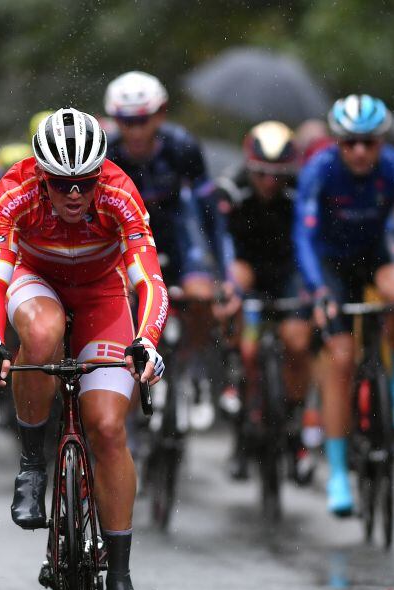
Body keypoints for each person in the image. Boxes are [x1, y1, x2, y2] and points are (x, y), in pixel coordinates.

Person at [0, 108, 167, 590]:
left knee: (106, 428)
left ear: (100, 174)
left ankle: (122, 581)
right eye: (61, 185)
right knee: (41, 335)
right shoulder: (14, 193)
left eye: (84, 183)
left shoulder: (119, 194)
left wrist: (147, 338)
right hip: (37, 283)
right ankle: (33, 463)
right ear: (41, 177)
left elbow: (147, 277)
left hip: (102, 294)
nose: (74, 195)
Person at [294, 94, 394, 516]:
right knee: (340, 360)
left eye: (369, 143)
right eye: (349, 142)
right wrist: (318, 290)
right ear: (337, 142)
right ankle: (338, 472)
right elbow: (302, 236)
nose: (359, 151)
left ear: (382, 142)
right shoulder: (319, 170)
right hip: (331, 262)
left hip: (376, 252)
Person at [104, 71, 236, 429]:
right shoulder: (107, 152)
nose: (134, 130)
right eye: (125, 121)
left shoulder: (183, 147)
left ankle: (190, 365)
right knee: (123, 305)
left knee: (201, 297)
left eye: (142, 120)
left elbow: (210, 215)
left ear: (160, 115)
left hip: (176, 237)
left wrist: (225, 275)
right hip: (127, 240)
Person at [216, 121, 311, 479]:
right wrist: (230, 288)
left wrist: (313, 289)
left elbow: (309, 242)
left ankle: (296, 425)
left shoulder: (300, 191)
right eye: (261, 174)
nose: (270, 183)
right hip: (246, 270)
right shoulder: (231, 188)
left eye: (278, 175)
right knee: (249, 347)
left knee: (298, 342)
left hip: (287, 270)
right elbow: (223, 244)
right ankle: (235, 376)